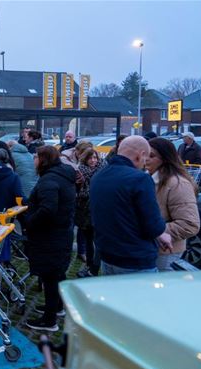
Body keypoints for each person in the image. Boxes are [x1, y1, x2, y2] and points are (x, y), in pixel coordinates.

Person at [90, 135, 173, 276]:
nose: (144, 164)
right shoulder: (140, 179)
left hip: (107, 255)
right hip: (135, 260)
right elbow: (153, 226)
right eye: (145, 159)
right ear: (140, 155)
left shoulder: (99, 176)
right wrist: (162, 233)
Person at [22, 146, 76, 332]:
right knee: (57, 274)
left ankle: (49, 320)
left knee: (50, 277)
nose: (34, 160)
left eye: (36, 156)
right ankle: (56, 307)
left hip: (50, 237)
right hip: (61, 234)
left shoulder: (49, 180)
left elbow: (48, 209)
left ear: (43, 159)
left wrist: (29, 222)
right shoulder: (62, 176)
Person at [146, 137, 200, 271]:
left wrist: (154, 231)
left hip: (167, 253)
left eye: (151, 155)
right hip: (150, 249)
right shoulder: (147, 178)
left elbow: (190, 224)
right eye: (144, 154)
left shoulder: (177, 184)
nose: (146, 159)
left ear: (165, 158)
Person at [74, 148, 105, 277]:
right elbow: (77, 191)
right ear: (85, 159)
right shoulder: (79, 171)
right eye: (90, 158)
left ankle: (94, 267)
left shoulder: (103, 170)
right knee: (88, 239)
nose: (93, 160)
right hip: (83, 210)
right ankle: (89, 264)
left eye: (95, 158)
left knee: (98, 240)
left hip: (98, 209)